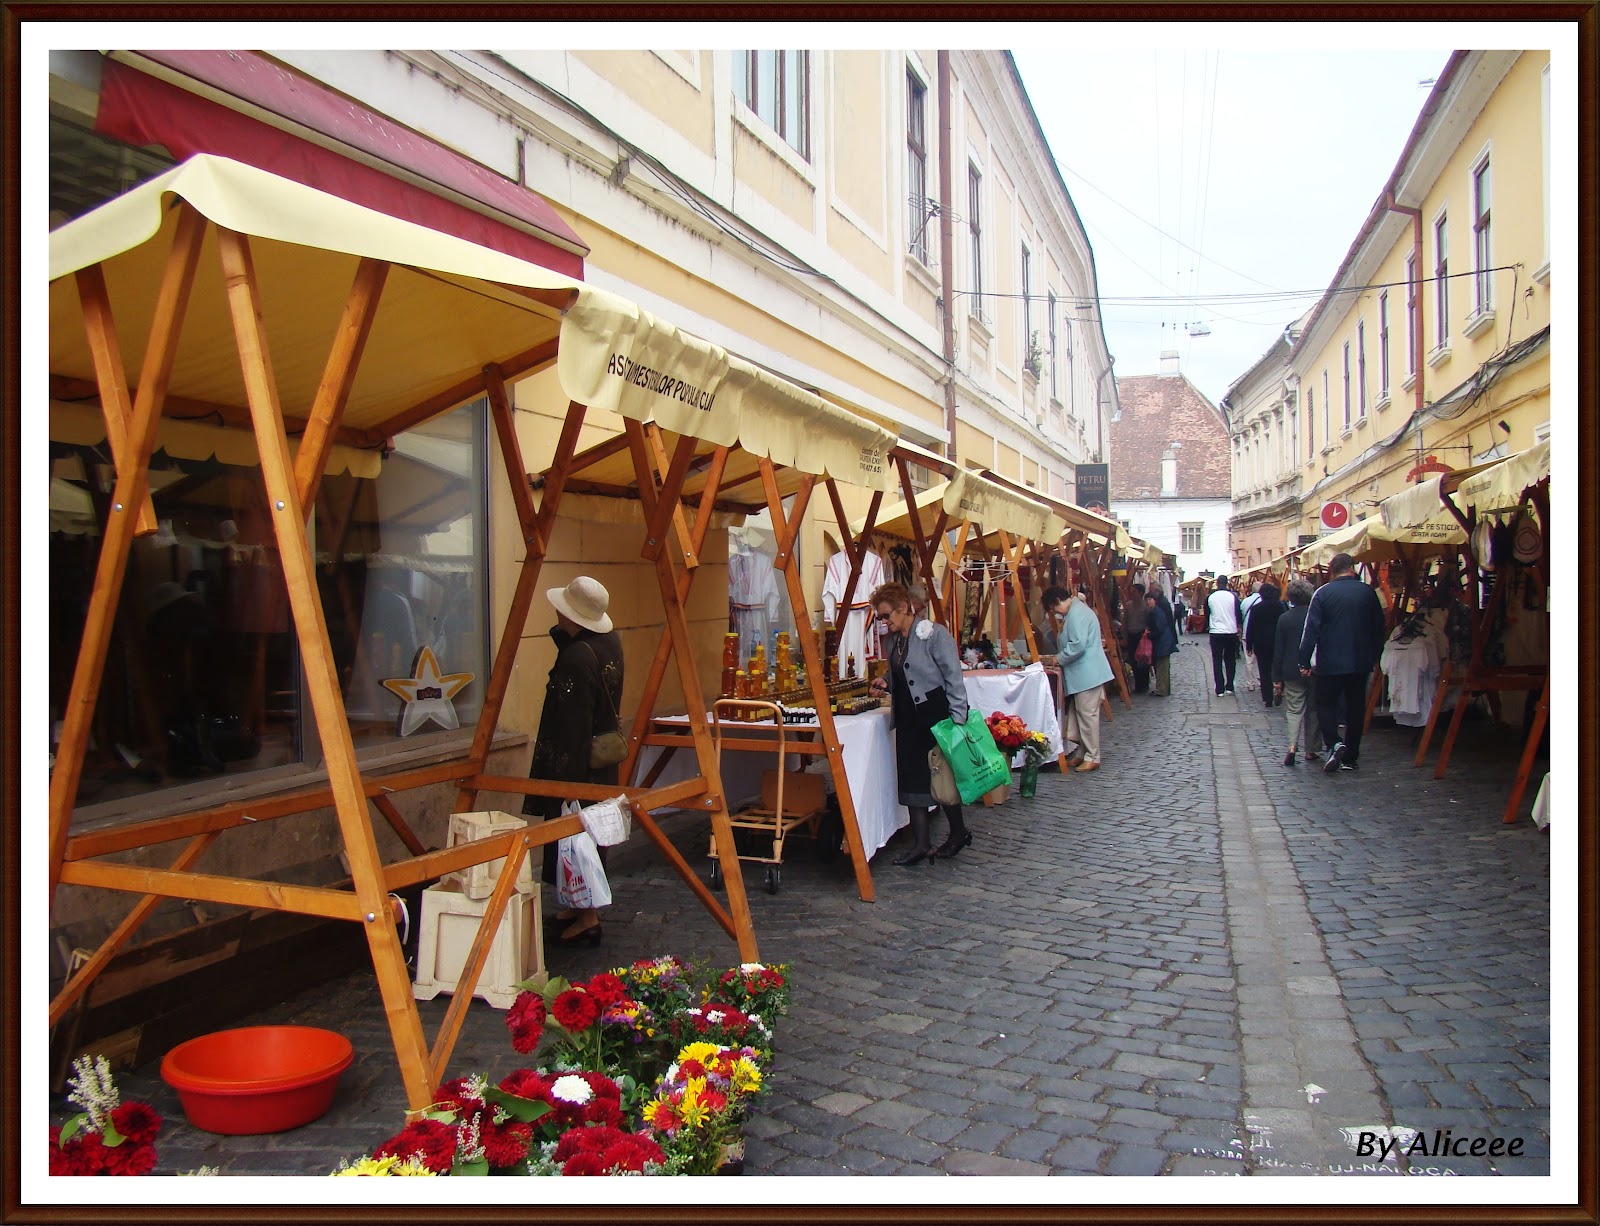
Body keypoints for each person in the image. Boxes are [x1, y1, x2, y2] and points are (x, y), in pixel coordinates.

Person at [524, 576, 624, 945]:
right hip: (598, 759)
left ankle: (588, 916)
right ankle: (576, 906)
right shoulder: (608, 642)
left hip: (576, 761)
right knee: (586, 835)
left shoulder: (577, 656)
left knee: (575, 837)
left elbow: (573, 722)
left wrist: (565, 781)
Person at [868, 582, 972, 864]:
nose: (884, 622)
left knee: (942, 776)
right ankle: (921, 843)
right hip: (907, 716)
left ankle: (959, 832)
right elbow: (898, 671)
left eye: (887, 615)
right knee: (913, 778)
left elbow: (953, 675)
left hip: (934, 713)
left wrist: (959, 716)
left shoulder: (934, 635)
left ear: (903, 608)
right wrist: (886, 681)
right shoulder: (893, 641)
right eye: (881, 617)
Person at [1297, 553, 1387, 774]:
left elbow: (1311, 630)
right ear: (1352, 568)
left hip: (1330, 662)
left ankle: (1335, 743)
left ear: (1332, 570)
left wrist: (1303, 660)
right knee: (1356, 708)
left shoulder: (1322, 594)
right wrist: (1376, 656)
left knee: (1325, 705)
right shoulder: (1367, 592)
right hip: (1359, 661)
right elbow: (1379, 628)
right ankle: (1351, 757)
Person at [1039, 585, 1114, 772]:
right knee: (1080, 714)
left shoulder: (1077, 613)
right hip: (1083, 675)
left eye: (1053, 609)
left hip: (1087, 674)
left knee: (1087, 716)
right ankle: (1083, 753)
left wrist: (1059, 658)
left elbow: (1078, 644)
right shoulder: (1076, 612)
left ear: (1057, 602)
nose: (1055, 613)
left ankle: (1092, 756)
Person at [1273, 579, 1324, 766]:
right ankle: (1311, 749)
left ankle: (1292, 746)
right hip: (1313, 668)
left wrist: (1276, 678)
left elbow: (1278, 650)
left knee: (1294, 710)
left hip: (1290, 670)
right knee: (1313, 709)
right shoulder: (1316, 616)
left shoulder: (1284, 618)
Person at [1245, 582, 1286, 708]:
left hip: (1261, 643)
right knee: (1278, 667)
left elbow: (1251, 627)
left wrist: (1249, 645)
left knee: (1264, 671)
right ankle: (1280, 689)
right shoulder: (1280, 606)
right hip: (1277, 641)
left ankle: (1267, 697)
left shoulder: (1256, 608)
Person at [1206, 576, 1244, 696]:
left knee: (1217, 660)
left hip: (1216, 632)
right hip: (1231, 631)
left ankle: (1219, 688)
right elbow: (1238, 613)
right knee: (1230, 660)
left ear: (1217, 584)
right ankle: (1230, 686)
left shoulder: (1210, 597)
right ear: (1227, 583)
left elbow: (1207, 615)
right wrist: (1239, 626)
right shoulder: (1233, 597)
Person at [1143, 588, 1178, 697]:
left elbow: (1160, 628)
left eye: (1150, 599)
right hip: (1162, 643)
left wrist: (1149, 635)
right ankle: (1163, 689)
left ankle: (1162, 690)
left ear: (1154, 600)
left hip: (1163, 643)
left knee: (1162, 666)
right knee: (1162, 666)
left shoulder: (1157, 612)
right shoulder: (1154, 611)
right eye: (1147, 600)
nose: (1148, 602)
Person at [1122, 582, 1150, 694]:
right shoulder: (1128, 606)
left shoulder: (1145, 606)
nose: (1132, 594)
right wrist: (1124, 635)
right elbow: (1125, 621)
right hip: (1131, 636)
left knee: (1143, 661)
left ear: (1141, 593)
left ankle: (1144, 684)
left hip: (1142, 635)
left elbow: (1148, 621)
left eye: (1134, 592)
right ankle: (1138, 685)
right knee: (1133, 660)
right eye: (1131, 592)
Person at [1237, 581, 1263, 692]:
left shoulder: (1245, 601)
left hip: (1247, 634)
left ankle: (1250, 683)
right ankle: (1262, 680)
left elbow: (1241, 617)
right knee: (1261, 660)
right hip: (1260, 635)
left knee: (1249, 661)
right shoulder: (1263, 601)